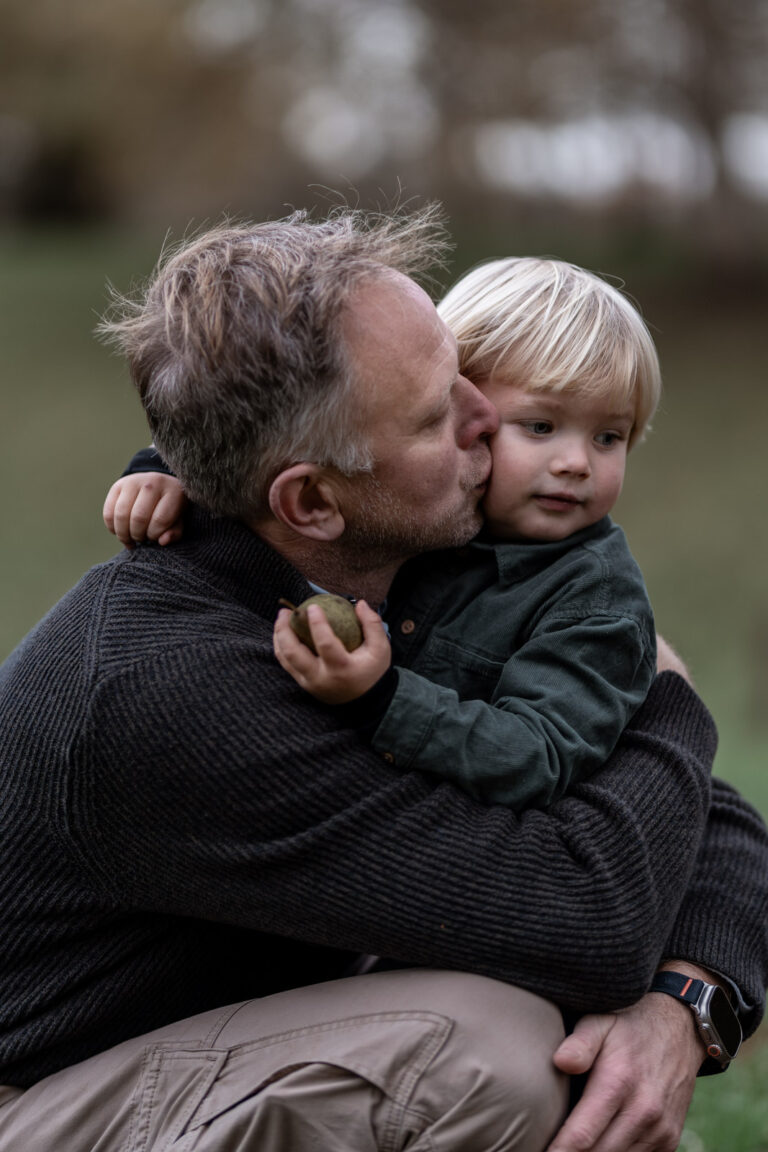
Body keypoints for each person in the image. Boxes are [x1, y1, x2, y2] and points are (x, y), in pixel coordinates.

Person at [0, 208, 766, 1152]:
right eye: (442, 411)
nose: (489, 416)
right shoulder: (175, 691)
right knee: (486, 1051)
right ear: (313, 499)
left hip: (170, 1045)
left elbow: (705, 816)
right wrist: (664, 689)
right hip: (33, 1096)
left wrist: (686, 1002)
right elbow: (588, 920)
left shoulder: (376, 571)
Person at [266, 257, 660, 810]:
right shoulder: (420, 506)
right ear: (460, 407)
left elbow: (538, 753)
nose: (576, 462)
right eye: (540, 426)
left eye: (609, 436)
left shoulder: (595, 602)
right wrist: (166, 474)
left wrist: (384, 700)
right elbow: (284, 446)